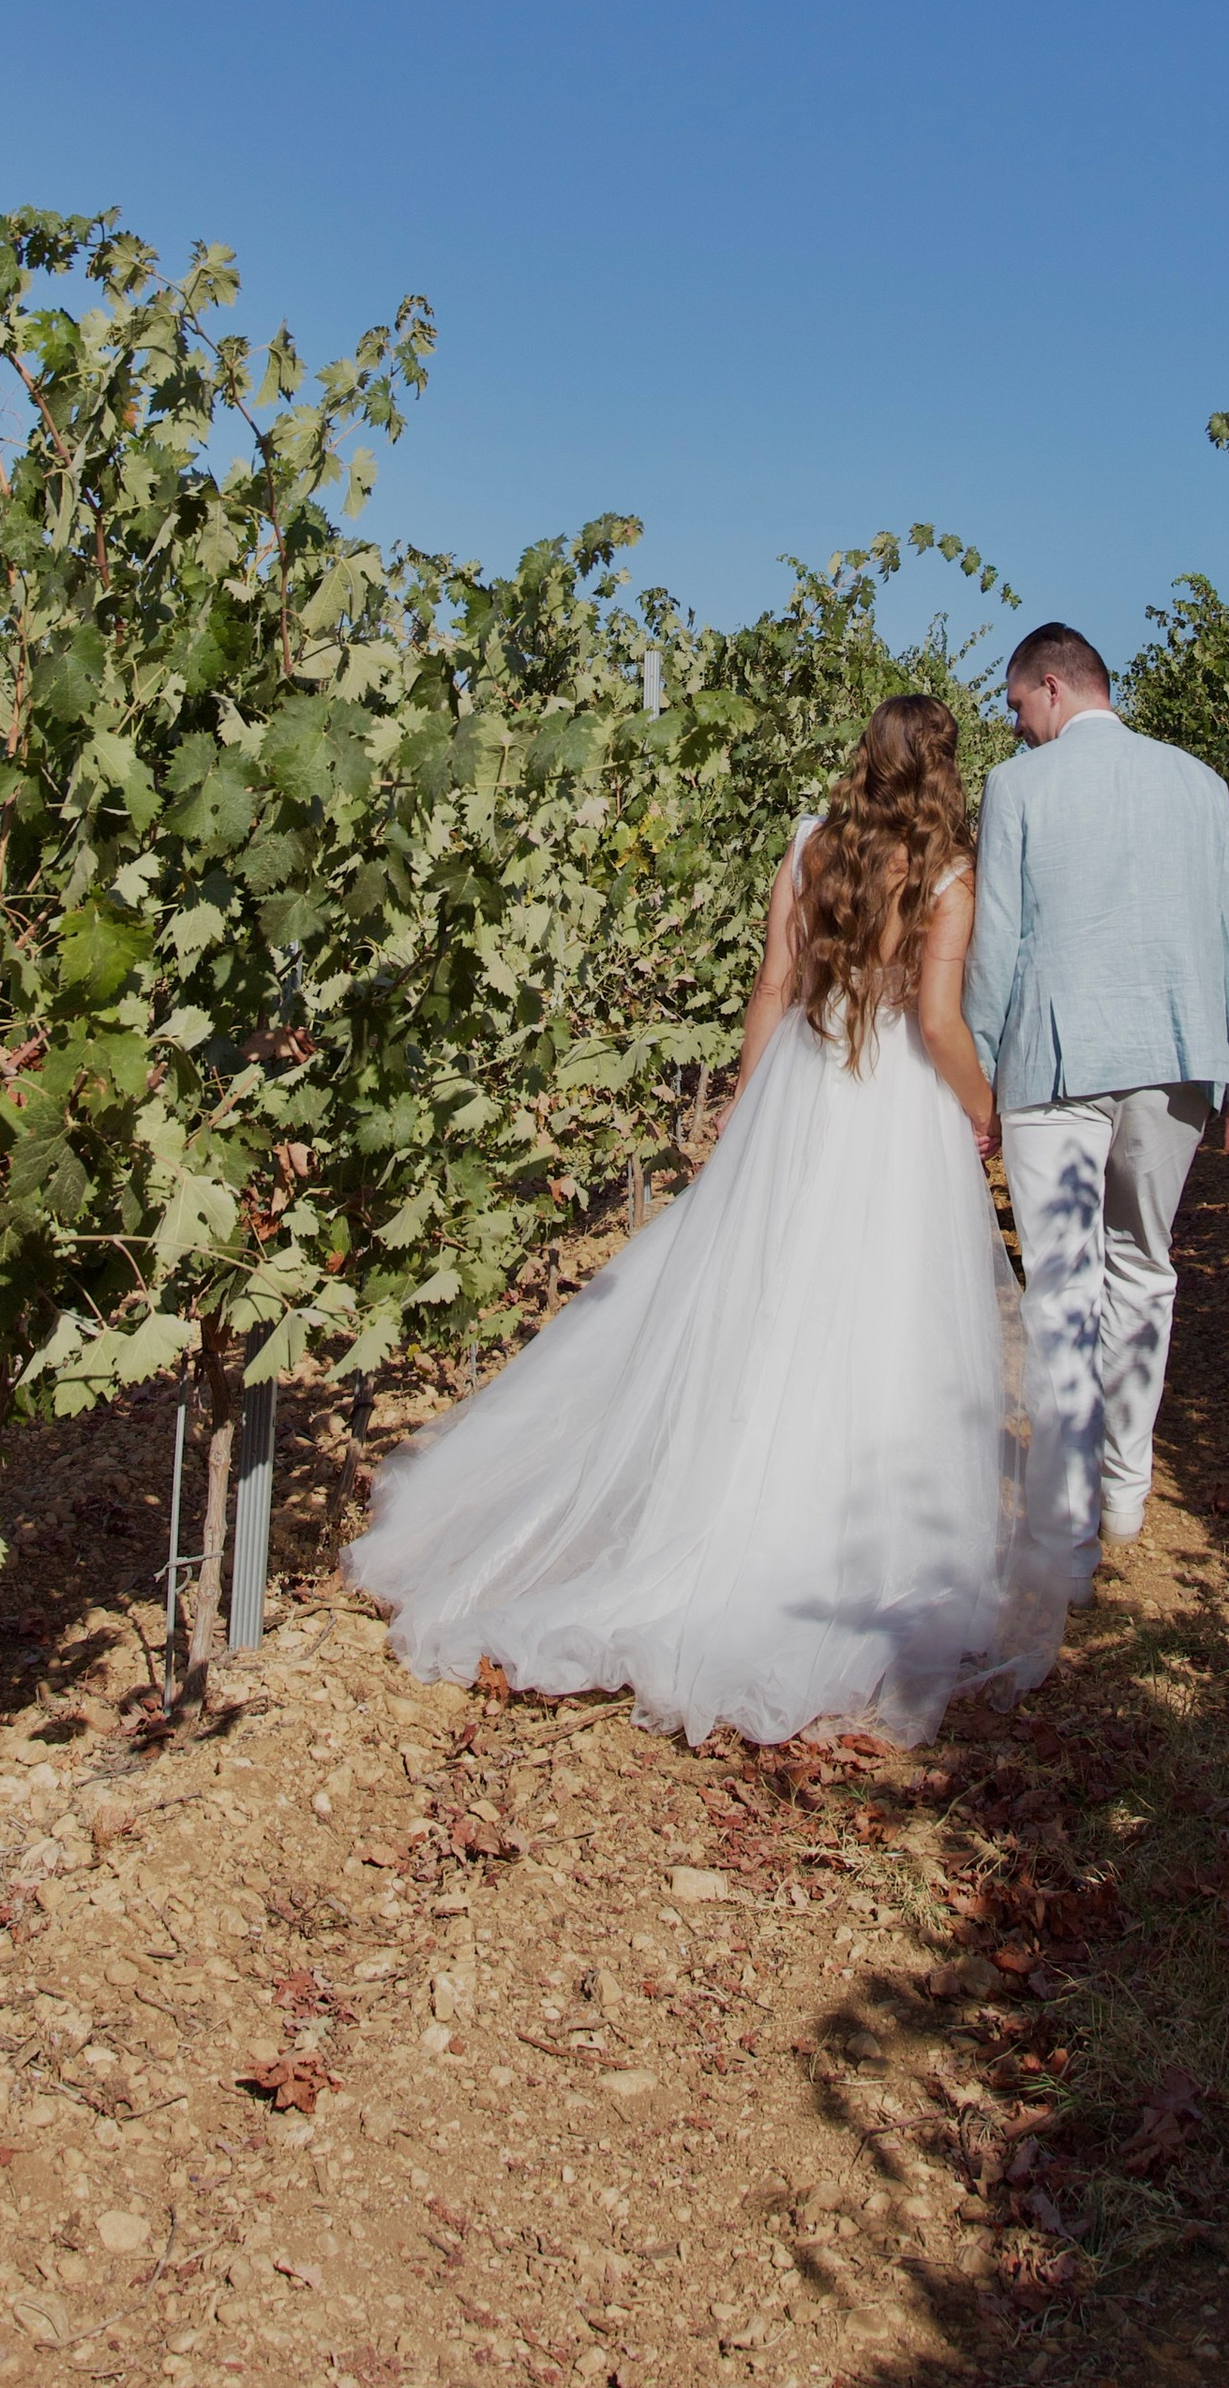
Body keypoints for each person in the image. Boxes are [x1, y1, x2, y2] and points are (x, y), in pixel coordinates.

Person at [344, 695, 1073, 1742]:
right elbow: (938, 1020)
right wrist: (981, 1103)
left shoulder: (810, 848)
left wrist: (745, 1110)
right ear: (946, 770)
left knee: (764, 1296)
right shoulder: (951, 877)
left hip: (803, 1086)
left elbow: (771, 990)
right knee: (877, 1313)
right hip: (892, 1104)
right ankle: (850, 1543)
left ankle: (721, 1503)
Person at [963, 621, 1229, 1602]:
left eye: (1016, 708)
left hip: (1054, 1060)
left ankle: (1061, 1533)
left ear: (1052, 687)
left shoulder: (1019, 789)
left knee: (1059, 1288)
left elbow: (996, 948)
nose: (1015, 730)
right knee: (1142, 1270)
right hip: (1176, 1056)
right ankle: (1125, 1496)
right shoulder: (1198, 785)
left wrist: (974, 1077)